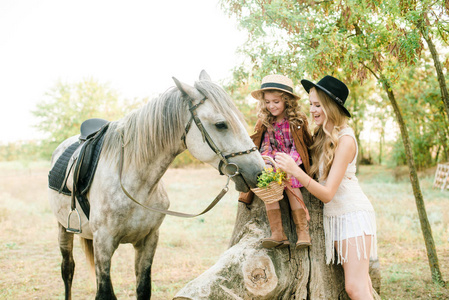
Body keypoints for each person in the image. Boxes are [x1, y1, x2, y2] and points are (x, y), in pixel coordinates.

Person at [275, 75, 377, 299]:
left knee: (355, 287)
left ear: (331, 106)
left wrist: (295, 170)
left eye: (318, 105)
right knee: (362, 284)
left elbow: (328, 193)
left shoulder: (346, 139)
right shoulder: (321, 136)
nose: (312, 110)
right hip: (337, 218)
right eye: (311, 104)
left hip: (351, 216)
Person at [239, 74, 313, 250]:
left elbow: (299, 147)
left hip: (292, 165)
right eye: (267, 102)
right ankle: (278, 233)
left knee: (292, 187)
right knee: (268, 190)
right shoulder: (265, 121)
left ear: (286, 101)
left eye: (276, 102)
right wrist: (270, 164)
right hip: (273, 165)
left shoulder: (296, 120)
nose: (271, 106)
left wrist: (289, 165)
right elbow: (264, 146)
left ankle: (303, 233)